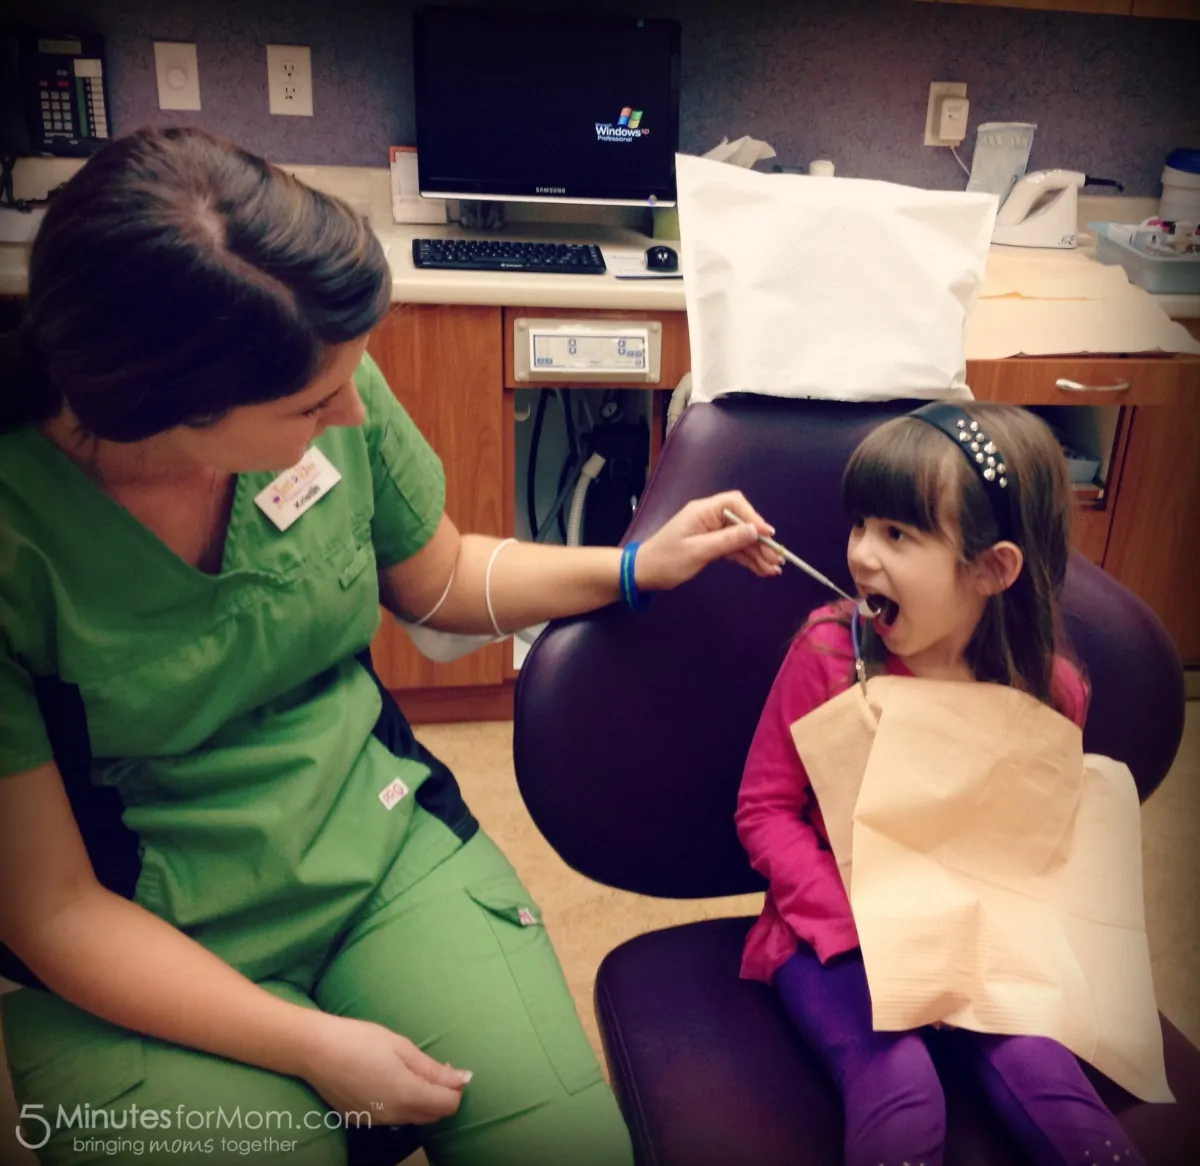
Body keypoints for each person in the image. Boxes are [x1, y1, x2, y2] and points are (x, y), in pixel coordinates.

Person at [0, 127, 779, 1166]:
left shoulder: (318, 372)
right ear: (158, 408)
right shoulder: (19, 531)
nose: (355, 411)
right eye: (312, 405)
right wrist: (311, 1044)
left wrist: (635, 564)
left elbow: (443, 577)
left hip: (369, 841)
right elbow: (50, 908)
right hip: (140, 927)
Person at [735, 402, 1147, 1166]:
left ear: (992, 569)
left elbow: (1036, 839)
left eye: (898, 535)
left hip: (978, 938)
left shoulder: (1049, 692)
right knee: (901, 1090)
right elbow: (763, 810)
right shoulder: (828, 655)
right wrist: (858, 922)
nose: (861, 555)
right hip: (832, 936)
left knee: (1049, 1082)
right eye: (861, 525)